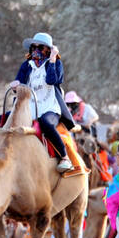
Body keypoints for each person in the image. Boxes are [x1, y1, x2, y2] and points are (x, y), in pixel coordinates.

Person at [13, 32, 72, 172]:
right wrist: (15, 86)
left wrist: (52, 60)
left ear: (48, 49)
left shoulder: (56, 63)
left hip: (50, 108)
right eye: (34, 46)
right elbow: (19, 83)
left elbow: (52, 81)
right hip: (29, 108)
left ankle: (65, 157)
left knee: (45, 122)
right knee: (0, 121)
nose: (36, 50)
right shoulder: (27, 65)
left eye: (41, 47)